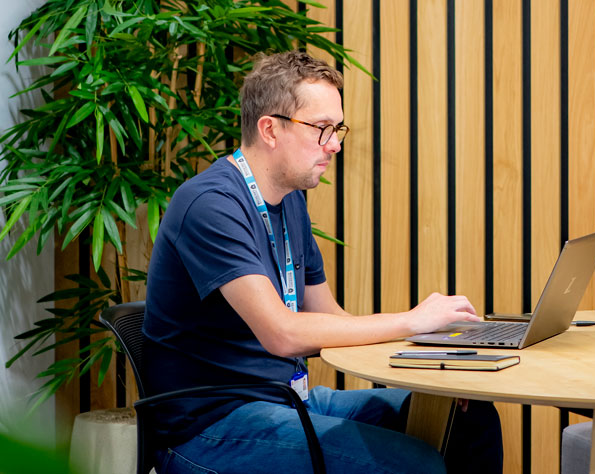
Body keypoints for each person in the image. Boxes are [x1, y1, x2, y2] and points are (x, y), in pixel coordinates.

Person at [142, 51, 503, 474]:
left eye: (338, 129)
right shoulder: (210, 204)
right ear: (270, 129)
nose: (334, 144)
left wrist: (434, 360)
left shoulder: (290, 201)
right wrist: (412, 320)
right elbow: (283, 333)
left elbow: (327, 317)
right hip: (212, 424)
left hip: (288, 398)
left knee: (468, 418)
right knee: (413, 464)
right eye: (322, 128)